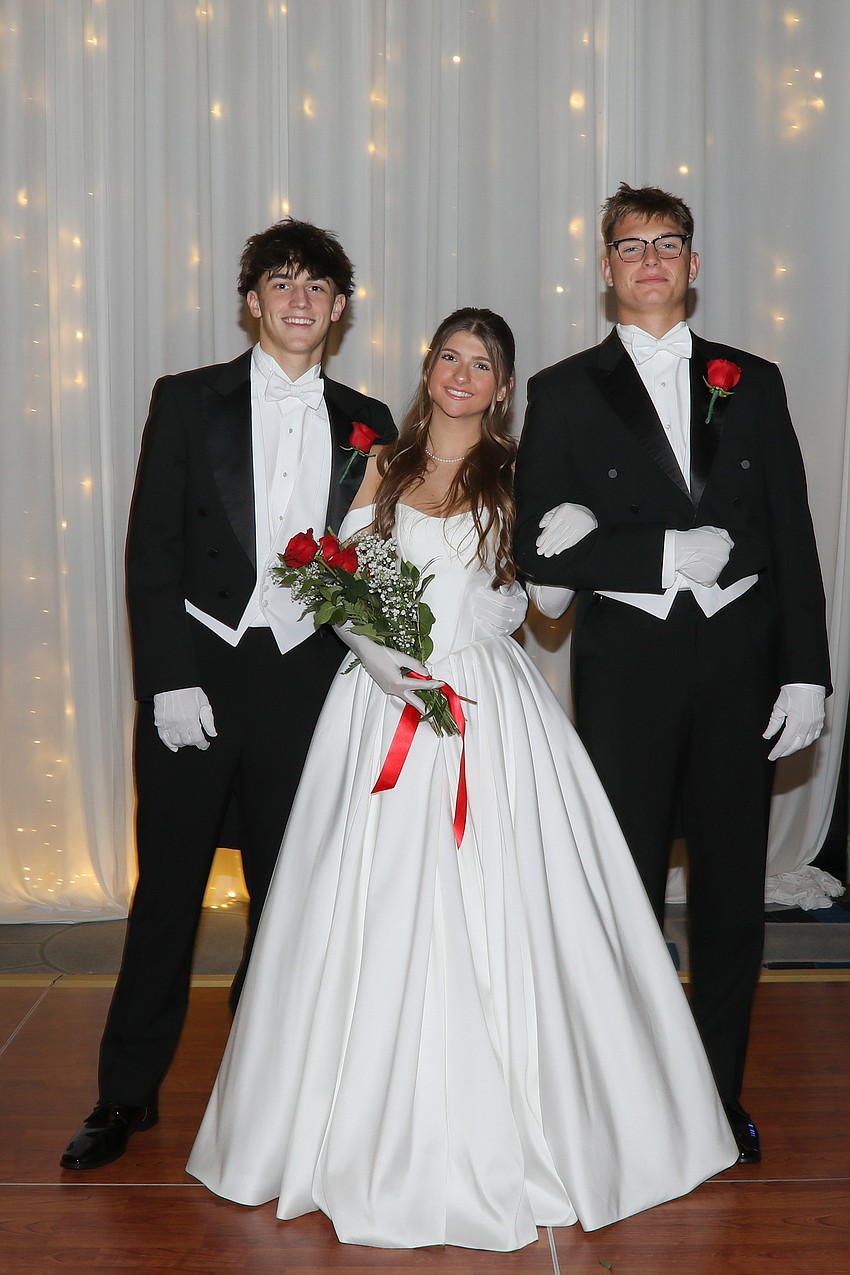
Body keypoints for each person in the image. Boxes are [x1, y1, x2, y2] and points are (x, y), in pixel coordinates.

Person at [186, 307, 737, 1252]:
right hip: (379, 703)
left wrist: (576, 531)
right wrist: (377, 657)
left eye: (483, 363)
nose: (462, 374)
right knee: (362, 908)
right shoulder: (380, 466)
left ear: (504, 387)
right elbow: (340, 578)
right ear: (428, 366)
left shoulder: (520, 473)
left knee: (511, 909)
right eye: (450, 356)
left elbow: (548, 604)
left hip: (488, 704)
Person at [59, 218, 401, 1172]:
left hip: (307, 680)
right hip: (200, 673)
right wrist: (167, 677)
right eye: (281, 284)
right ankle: (125, 1096)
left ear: (339, 310)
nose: (300, 301)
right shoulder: (186, 400)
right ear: (253, 301)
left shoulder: (370, 418)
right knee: (166, 892)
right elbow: (151, 550)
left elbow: (378, 563)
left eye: (318, 288)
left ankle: (268, 1087)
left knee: (290, 898)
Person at [513, 183, 831, 1166]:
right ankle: (623, 1100)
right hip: (627, 676)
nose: (649, 259)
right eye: (630, 245)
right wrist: (651, 557)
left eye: (668, 243)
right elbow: (536, 549)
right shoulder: (561, 392)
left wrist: (806, 676)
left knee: (733, 899)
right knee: (623, 895)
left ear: (693, 266)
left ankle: (714, 1095)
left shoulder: (754, 377)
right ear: (606, 270)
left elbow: (788, 533)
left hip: (740, 671)